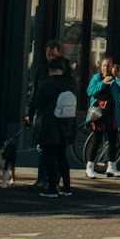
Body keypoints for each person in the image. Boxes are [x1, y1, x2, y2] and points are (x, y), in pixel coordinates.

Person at [27, 57, 78, 198]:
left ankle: (52, 188)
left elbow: (37, 103)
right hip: (66, 124)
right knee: (62, 156)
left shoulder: (47, 83)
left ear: (51, 69)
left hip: (49, 124)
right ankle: (66, 187)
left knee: (49, 156)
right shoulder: (71, 83)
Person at [85, 56, 120, 179]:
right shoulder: (96, 78)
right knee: (96, 140)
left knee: (113, 140)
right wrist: (102, 84)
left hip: (112, 114)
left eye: (108, 65)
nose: (106, 68)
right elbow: (89, 91)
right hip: (99, 114)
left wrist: (119, 77)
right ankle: (90, 167)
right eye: (104, 65)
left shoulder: (116, 79)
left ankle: (111, 167)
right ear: (101, 67)